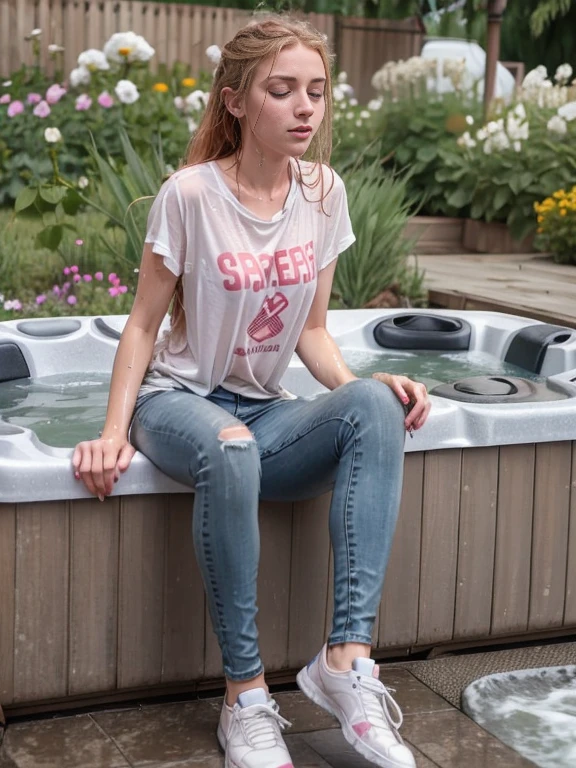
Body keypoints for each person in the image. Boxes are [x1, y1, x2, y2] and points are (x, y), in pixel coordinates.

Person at [73, 15, 430, 768]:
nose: (306, 108)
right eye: (282, 90)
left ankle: (344, 664)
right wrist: (112, 431)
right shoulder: (191, 195)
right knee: (230, 448)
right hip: (177, 402)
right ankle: (246, 698)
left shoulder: (324, 194)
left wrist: (363, 382)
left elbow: (312, 331)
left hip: (266, 411)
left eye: (317, 91)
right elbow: (140, 329)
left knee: (372, 405)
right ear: (235, 101)